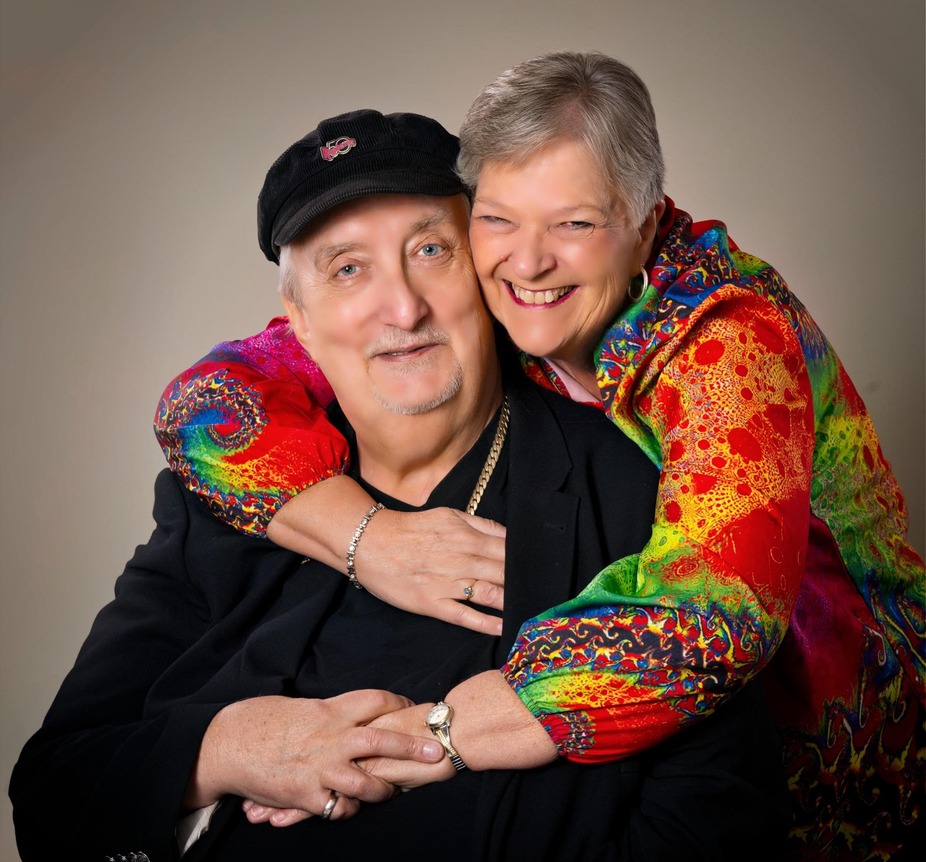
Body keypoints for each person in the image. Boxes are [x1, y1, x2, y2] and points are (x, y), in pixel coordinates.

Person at [150, 53, 925, 860]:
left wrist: (424, 737)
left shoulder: (727, 341)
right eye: (498, 220)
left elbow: (708, 624)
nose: (527, 262)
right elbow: (203, 403)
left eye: (575, 223)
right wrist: (370, 541)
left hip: (837, 732)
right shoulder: (486, 299)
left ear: (645, 226)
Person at [10, 109, 790, 862]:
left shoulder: (641, 487)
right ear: (298, 318)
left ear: (486, 272)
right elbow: (54, 796)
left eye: (431, 250)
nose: (402, 307)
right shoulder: (217, 500)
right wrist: (226, 747)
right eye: (348, 269)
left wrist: (447, 733)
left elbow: (720, 821)